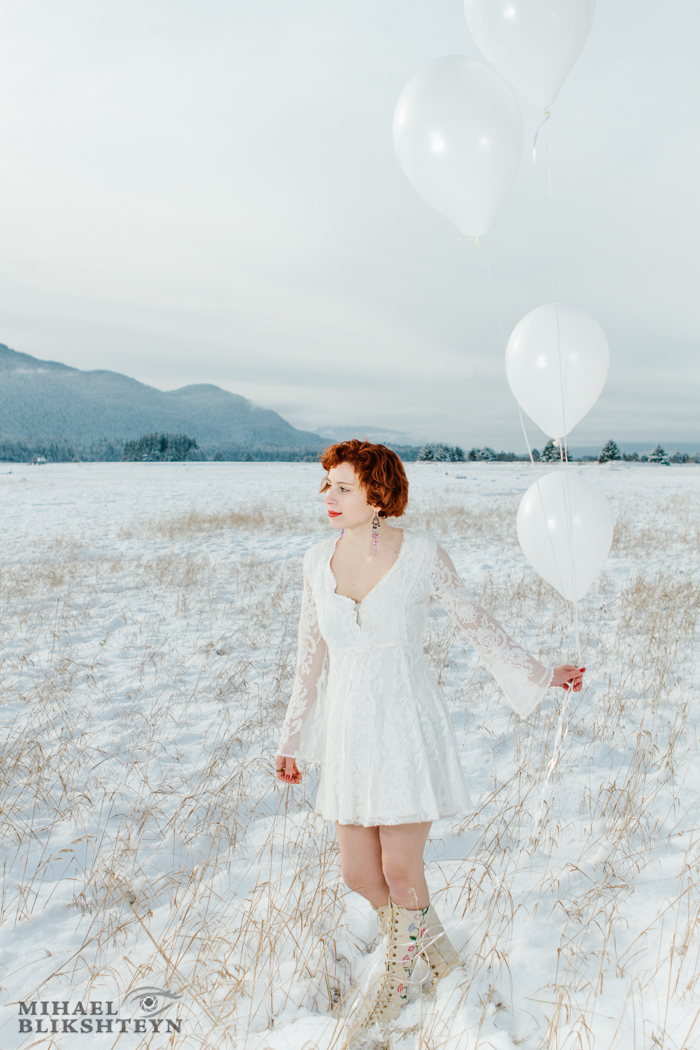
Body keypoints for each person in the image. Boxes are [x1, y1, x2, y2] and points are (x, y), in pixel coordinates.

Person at [273, 440, 584, 1036]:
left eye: (342, 486)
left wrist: (543, 674)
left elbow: (478, 626)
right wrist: (291, 741)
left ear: (377, 492)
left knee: (400, 869)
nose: (328, 497)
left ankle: (397, 980)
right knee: (359, 876)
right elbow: (308, 660)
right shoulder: (316, 560)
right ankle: (437, 957)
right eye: (327, 486)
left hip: (406, 723)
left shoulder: (422, 557)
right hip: (347, 731)